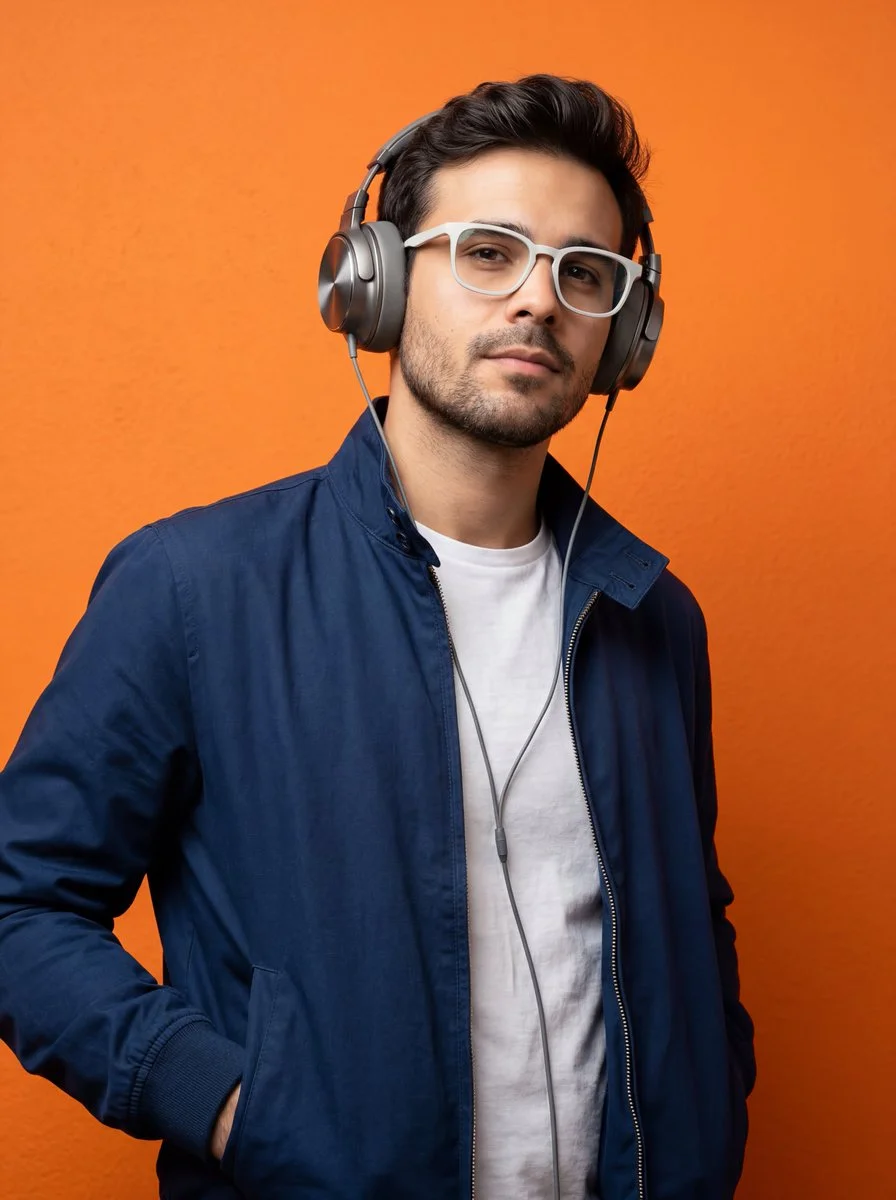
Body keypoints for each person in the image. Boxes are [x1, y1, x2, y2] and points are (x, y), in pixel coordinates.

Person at [0, 73, 756, 1200]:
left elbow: (685, 920)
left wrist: (709, 1111)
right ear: (379, 281)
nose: (538, 303)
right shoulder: (194, 587)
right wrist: (223, 1098)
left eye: (583, 274)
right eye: (489, 252)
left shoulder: (653, 619)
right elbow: (22, 904)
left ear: (625, 335)